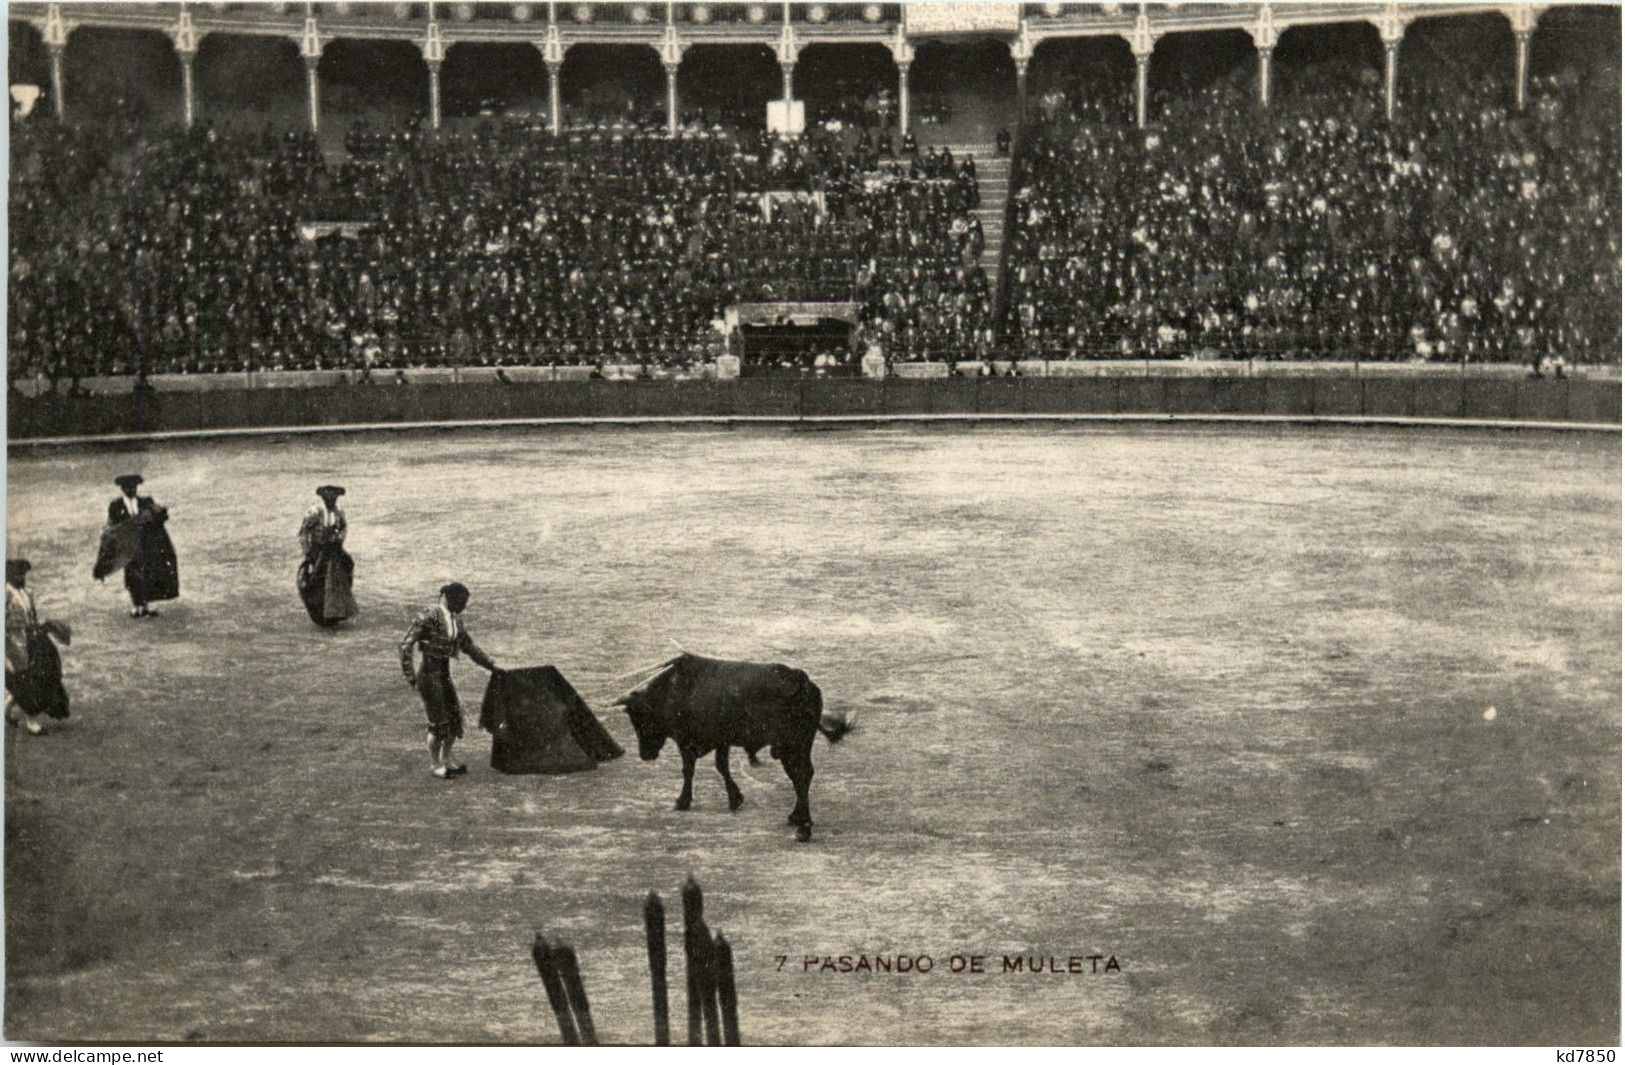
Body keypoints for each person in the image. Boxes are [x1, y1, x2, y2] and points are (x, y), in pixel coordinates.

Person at [399, 582, 502, 779]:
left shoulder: (455, 621)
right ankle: (435, 763)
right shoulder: (429, 616)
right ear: (446, 597)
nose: (462, 606)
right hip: (428, 676)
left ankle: (446, 759)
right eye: (459, 601)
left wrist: (491, 665)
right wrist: (410, 675)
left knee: (454, 719)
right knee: (439, 723)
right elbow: (405, 645)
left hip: (443, 674)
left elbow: (469, 647)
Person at [95, 474, 179, 618]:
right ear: (122, 489)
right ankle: (135, 606)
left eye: (133, 487)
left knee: (147, 574)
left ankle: (144, 606)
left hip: (146, 545)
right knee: (132, 574)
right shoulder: (115, 506)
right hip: (127, 547)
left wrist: (160, 512)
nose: (131, 490)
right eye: (128, 488)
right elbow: (111, 527)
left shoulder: (146, 502)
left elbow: (160, 515)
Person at [6, 559, 69, 735]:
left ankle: (5, 709)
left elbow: (31, 617)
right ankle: (31, 722)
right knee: (28, 681)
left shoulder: (27, 592)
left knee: (33, 677)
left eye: (23, 574)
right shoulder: (5, 595)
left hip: (31, 641)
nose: (22, 577)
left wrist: (44, 625)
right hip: (13, 645)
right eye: (18, 575)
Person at [297, 485, 357, 626]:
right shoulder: (315, 512)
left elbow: (343, 528)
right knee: (316, 581)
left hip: (334, 550)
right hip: (318, 551)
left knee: (348, 565)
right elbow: (304, 533)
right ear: (323, 497)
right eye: (328, 496)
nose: (331, 499)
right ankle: (321, 614)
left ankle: (337, 612)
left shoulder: (339, 512)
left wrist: (338, 540)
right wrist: (308, 553)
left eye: (334, 496)